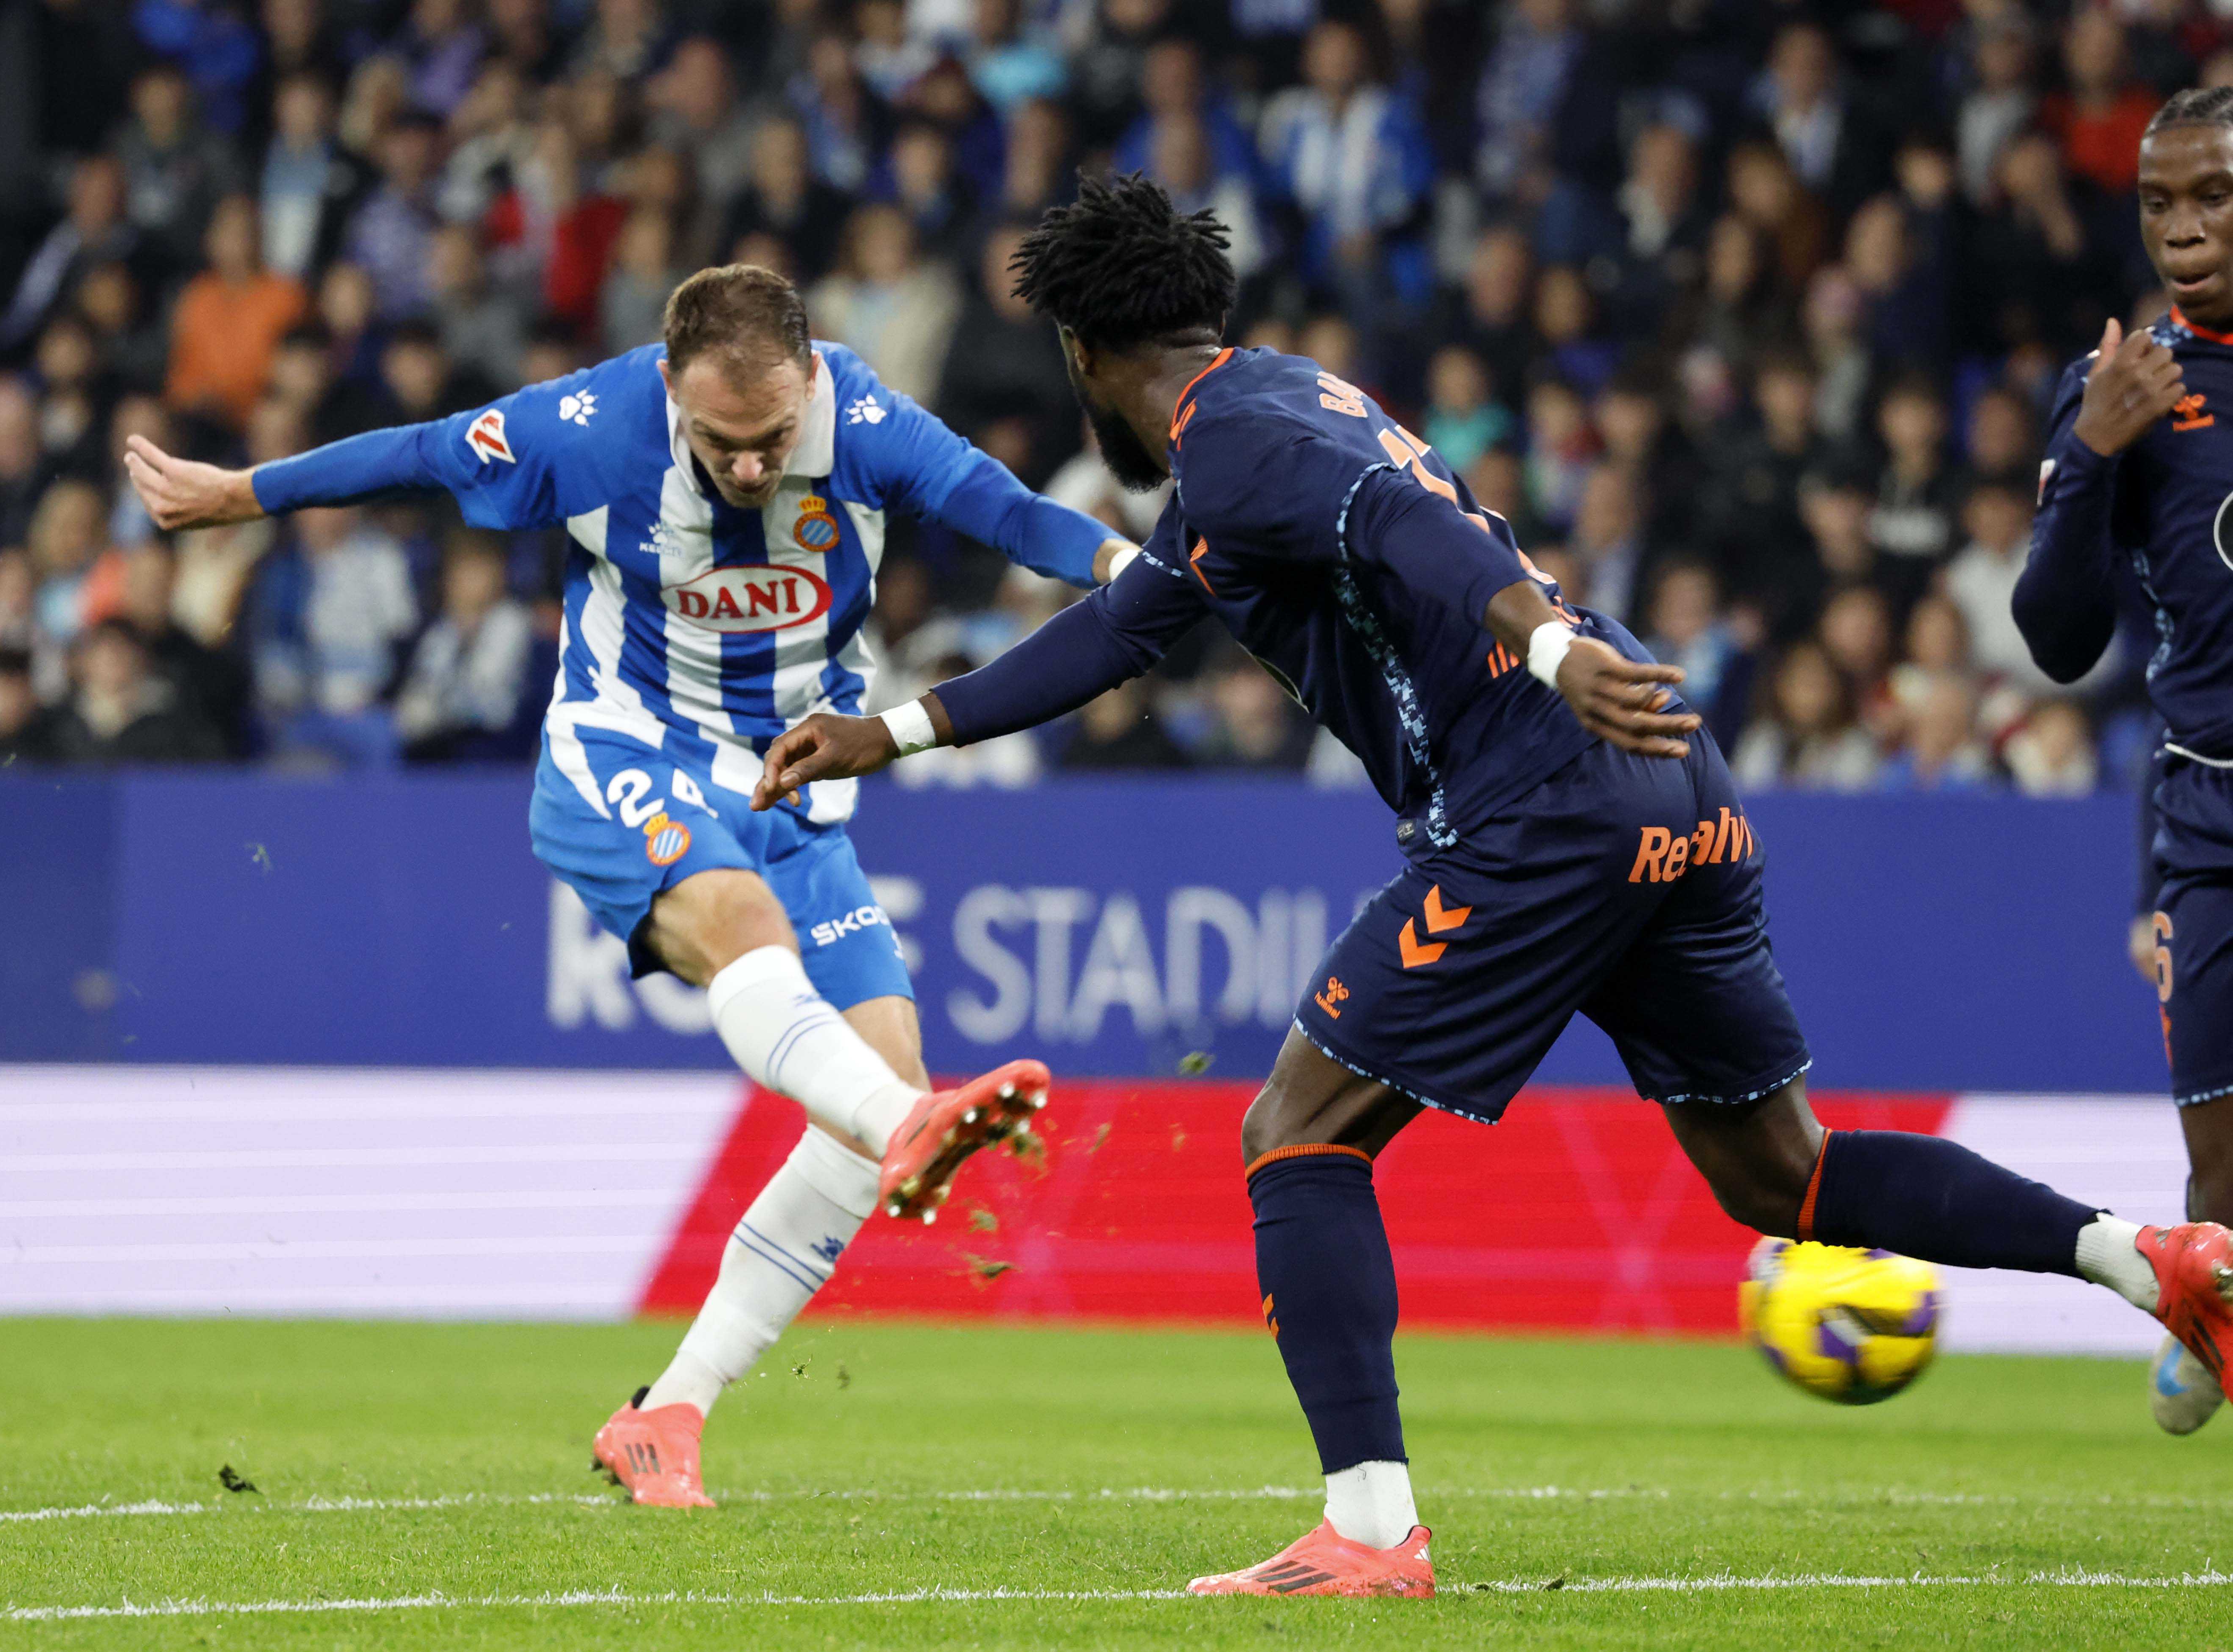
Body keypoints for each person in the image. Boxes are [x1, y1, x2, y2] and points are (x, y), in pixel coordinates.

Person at [752, 175, 2233, 1598]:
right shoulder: (1272, 409)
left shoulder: (1243, 445)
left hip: (1544, 791)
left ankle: (1366, 1530)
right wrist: (891, 730)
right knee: (1778, 1172)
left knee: (1296, 1131)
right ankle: (2146, 1259)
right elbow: (1121, 627)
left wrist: (1543, 643)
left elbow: (1417, 531)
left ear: (1081, 354)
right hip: (1666, 784)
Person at [123, 262, 1139, 1507]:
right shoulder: (594, 427)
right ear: (669, 390)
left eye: (773, 438)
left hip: (795, 785)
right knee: (776, 966)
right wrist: (244, 493)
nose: (752, 467)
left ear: (809, 381)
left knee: (875, 1082)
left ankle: (668, 1413)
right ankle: (903, 1128)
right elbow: (425, 453)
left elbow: (1007, 511)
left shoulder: (865, 418)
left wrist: (1129, 566)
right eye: (720, 440)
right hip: (628, 748)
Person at [2014, 86, 2233, 1438]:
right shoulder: (2125, 389)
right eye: (2159, 203)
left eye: (2212, 196)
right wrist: (2094, 447)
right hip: (2212, 818)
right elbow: (2055, 639)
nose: (2183, 230)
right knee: (2222, 1196)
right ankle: (2208, 1299)